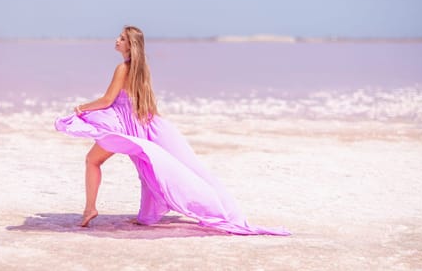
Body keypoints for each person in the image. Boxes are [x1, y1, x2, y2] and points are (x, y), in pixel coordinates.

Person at [54, 26, 290, 236]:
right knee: (148, 167)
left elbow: (107, 100)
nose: (117, 40)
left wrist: (80, 108)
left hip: (124, 124)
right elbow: (144, 101)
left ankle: (90, 209)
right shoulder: (142, 68)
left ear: (131, 44)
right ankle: (146, 216)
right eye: (119, 37)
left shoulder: (121, 69)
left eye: (122, 38)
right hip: (139, 123)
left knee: (92, 161)